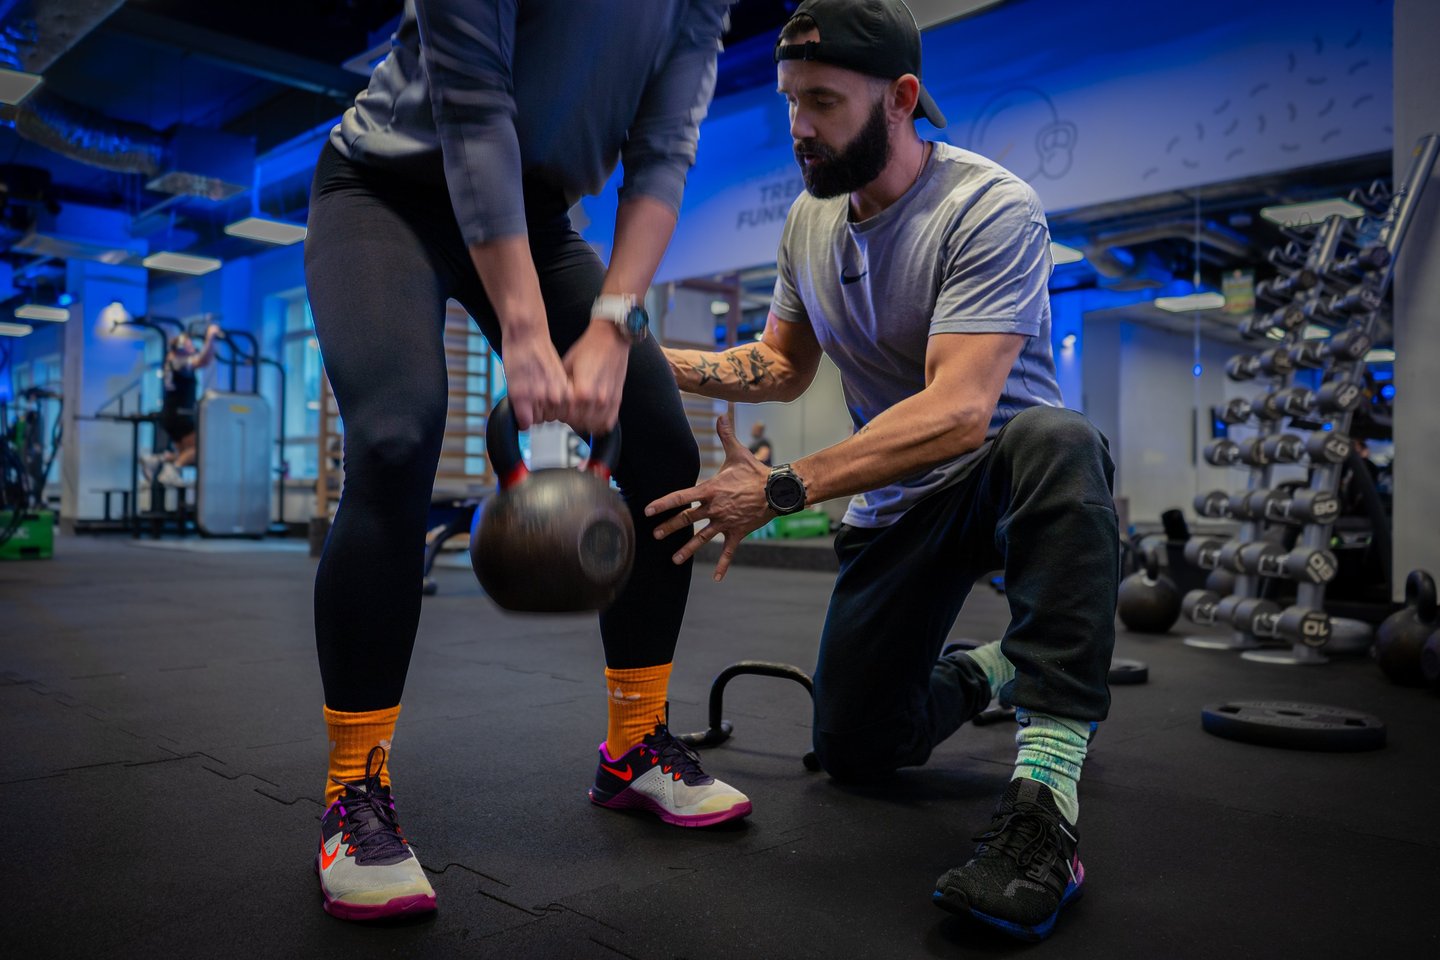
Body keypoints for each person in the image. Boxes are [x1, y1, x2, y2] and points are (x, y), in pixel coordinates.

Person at [648, 0, 1117, 942]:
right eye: (790, 102)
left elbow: (958, 411)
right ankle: (999, 669)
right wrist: (646, 361)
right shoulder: (807, 224)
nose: (800, 128)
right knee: (857, 749)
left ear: (901, 99)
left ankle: (1045, 808)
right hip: (897, 508)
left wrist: (781, 487)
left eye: (822, 101)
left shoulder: (988, 207)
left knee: (1061, 440)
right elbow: (782, 363)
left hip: (999, 477)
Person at [302, 0, 748, 922]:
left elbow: (664, 150)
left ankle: (634, 747)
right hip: (387, 190)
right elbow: (473, 109)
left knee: (663, 436)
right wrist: (525, 329)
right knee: (396, 434)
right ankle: (354, 793)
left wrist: (616, 324)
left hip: (536, 211)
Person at [140, 324, 221, 488]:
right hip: (180, 415)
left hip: (173, 414)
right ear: (181, 348)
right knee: (201, 448)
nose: (193, 347)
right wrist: (210, 336)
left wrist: (210, 343)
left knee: (185, 452)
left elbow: (207, 358)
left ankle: (158, 460)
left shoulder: (172, 361)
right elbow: (204, 360)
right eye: (190, 345)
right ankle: (171, 470)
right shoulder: (179, 362)